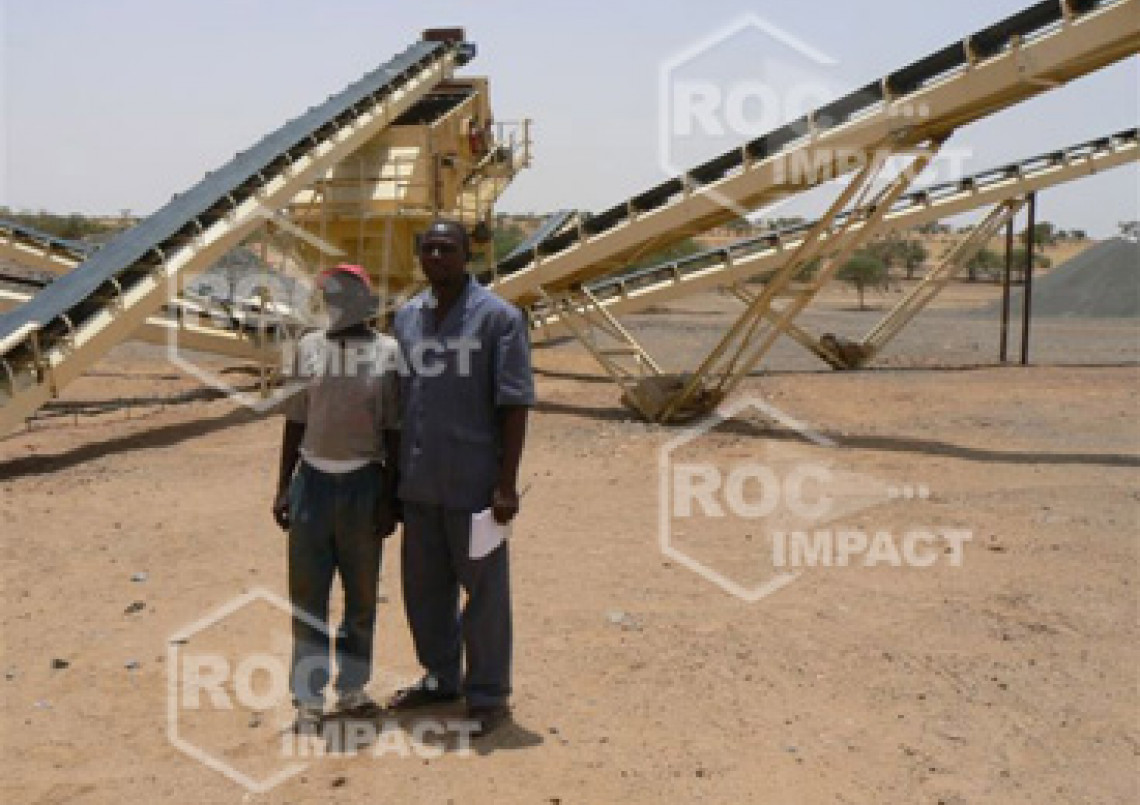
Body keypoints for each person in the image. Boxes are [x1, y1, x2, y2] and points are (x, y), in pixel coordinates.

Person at [389, 219, 534, 738]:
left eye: (446, 248)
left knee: (485, 594)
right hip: (419, 482)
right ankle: (440, 679)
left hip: (475, 485)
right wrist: (390, 482)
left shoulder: (499, 319)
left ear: (466, 255)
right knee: (424, 592)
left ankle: (489, 694)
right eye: (428, 248)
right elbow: (398, 403)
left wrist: (506, 483)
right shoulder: (406, 318)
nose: (436, 256)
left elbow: (514, 404)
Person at [272, 263, 401, 734]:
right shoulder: (308, 348)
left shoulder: (388, 353)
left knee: (361, 599)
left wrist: (390, 497)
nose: (337, 303)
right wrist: (283, 485)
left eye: (347, 295)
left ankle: (352, 688)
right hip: (312, 485)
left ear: (366, 302)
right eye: (330, 295)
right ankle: (308, 697)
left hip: (364, 486)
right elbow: (295, 420)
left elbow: (395, 430)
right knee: (308, 597)